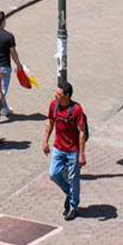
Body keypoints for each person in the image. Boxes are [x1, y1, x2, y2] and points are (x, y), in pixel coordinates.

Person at [43, 83, 88, 220]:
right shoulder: (54, 105)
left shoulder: (77, 110)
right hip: (58, 148)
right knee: (53, 173)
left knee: (73, 179)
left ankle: (74, 207)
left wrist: (82, 154)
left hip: (72, 151)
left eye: (59, 94)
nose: (55, 96)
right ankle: (69, 192)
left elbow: (82, 132)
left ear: (67, 96)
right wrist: (45, 141)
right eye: (56, 93)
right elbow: (50, 123)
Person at [0, 11, 25, 119]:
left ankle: (5, 109)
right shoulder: (8, 36)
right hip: (4, 66)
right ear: (3, 21)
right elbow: (13, 52)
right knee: (3, 90)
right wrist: (18, 64)